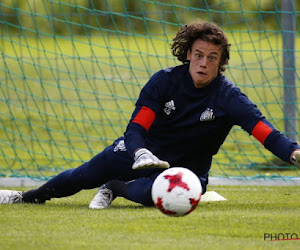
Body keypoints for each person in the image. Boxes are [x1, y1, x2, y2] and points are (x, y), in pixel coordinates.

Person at [1, 20, 300, 208]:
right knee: (85, 174)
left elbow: (263, 130)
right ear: (188, 54)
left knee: (152, 196)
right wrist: (140, 152)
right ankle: (25, 197)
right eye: (198, 55)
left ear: (220, 63)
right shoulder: (164, 81)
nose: (204, 63)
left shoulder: (228, 97)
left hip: (187, 170)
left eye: (212, 58)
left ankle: (116, 186)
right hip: (142, 152)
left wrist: (293, 153)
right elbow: (135, 128)